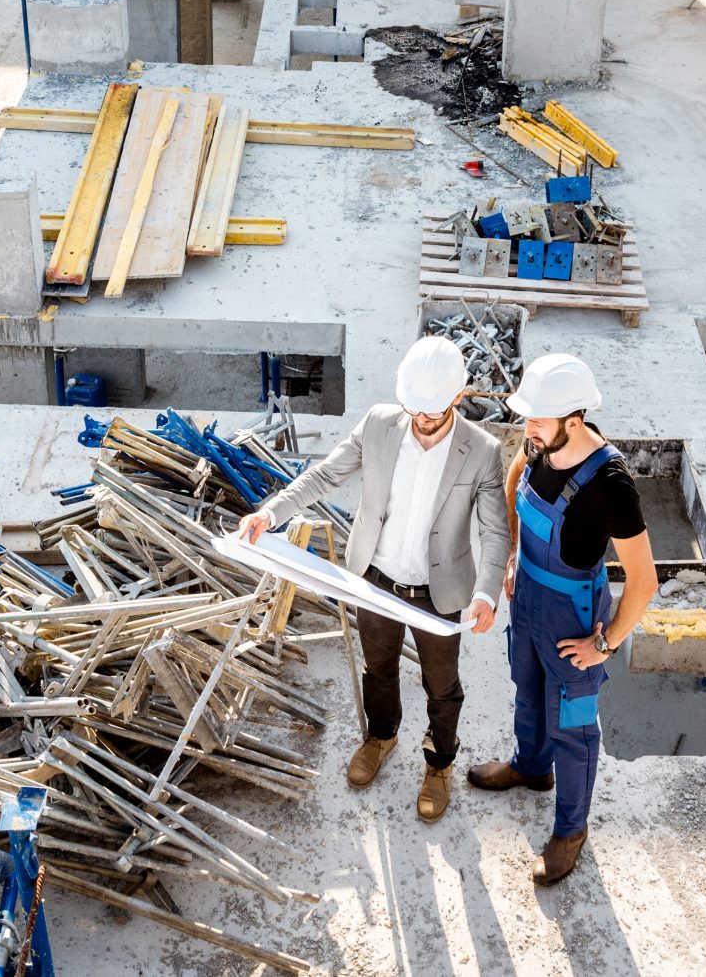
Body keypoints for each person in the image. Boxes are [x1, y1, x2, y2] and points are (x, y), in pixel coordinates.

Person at [241, 337, 512, 822]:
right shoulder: (380, 425)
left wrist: (486, 593)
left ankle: (439, 763)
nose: (422, 420)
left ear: (457, 397)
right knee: (379, 667)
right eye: (415, 410)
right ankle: (381, 736)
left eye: (432, 412)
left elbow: (495, 532)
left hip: (441, 593)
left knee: (441, 684)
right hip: (376, 580)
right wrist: (272, 512)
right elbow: (324, 476)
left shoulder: (483, 451)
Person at [467, 353, 657, 886]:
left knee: (572, 727)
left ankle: (570, 832)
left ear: (573, 421)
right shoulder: (538, 445)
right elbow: (514, 481)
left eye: (538, 420)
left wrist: (606, 643)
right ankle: (530, 767)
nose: (527, 430)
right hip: (528, 600)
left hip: (573, 618)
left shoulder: (610, 484)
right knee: (527, 692)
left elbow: (644, 581)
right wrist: (510, 554)